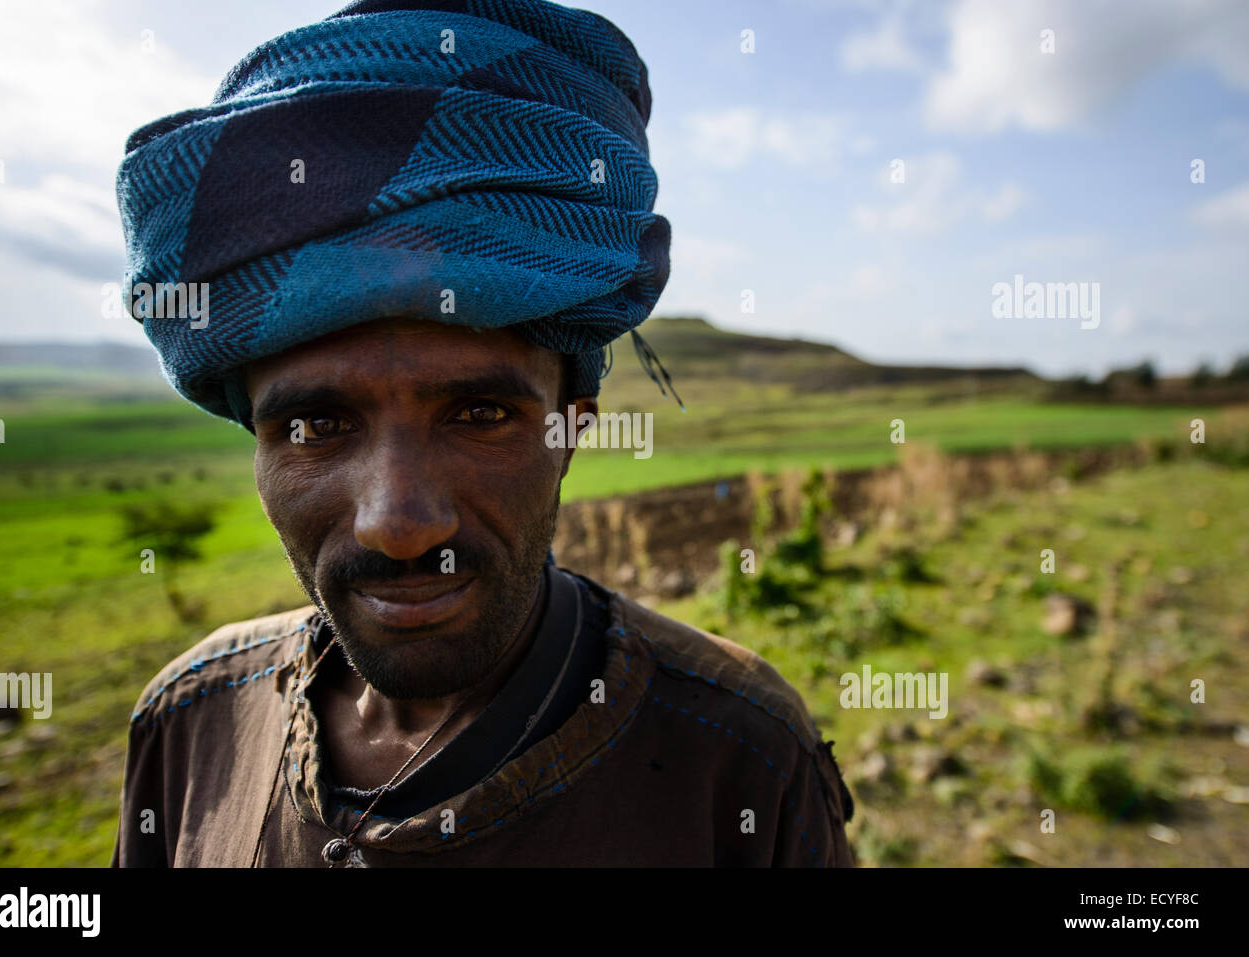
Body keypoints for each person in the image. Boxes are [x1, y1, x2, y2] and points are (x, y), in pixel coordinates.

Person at [111, 0, 853, 867]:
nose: (397, 522)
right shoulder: (187, 723)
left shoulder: (742, 754)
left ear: (572, 432)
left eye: (480, 415)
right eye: (315, 426)